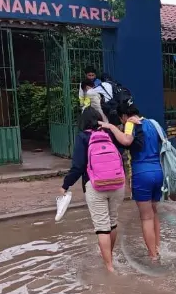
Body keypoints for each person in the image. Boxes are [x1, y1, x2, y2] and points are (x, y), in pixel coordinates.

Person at [60, 107, 125, 272]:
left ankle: (109, 267)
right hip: (118, 183)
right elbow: (122, 150)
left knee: (102, 227)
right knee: (112, 222)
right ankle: (110, 254)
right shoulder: (110, 133)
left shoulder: (83, 137)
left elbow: (78, 166)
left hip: (95, 185)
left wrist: (65, 185)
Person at [102, 104, 165, 263]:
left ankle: (152, 256)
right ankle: (158, 248)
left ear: (124, 116)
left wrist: (111, 127)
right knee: (154, 212)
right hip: (158, 172)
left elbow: (126, 140)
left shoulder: (130, 123)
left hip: (141, 174)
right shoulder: (153, 123)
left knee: (146, 218)